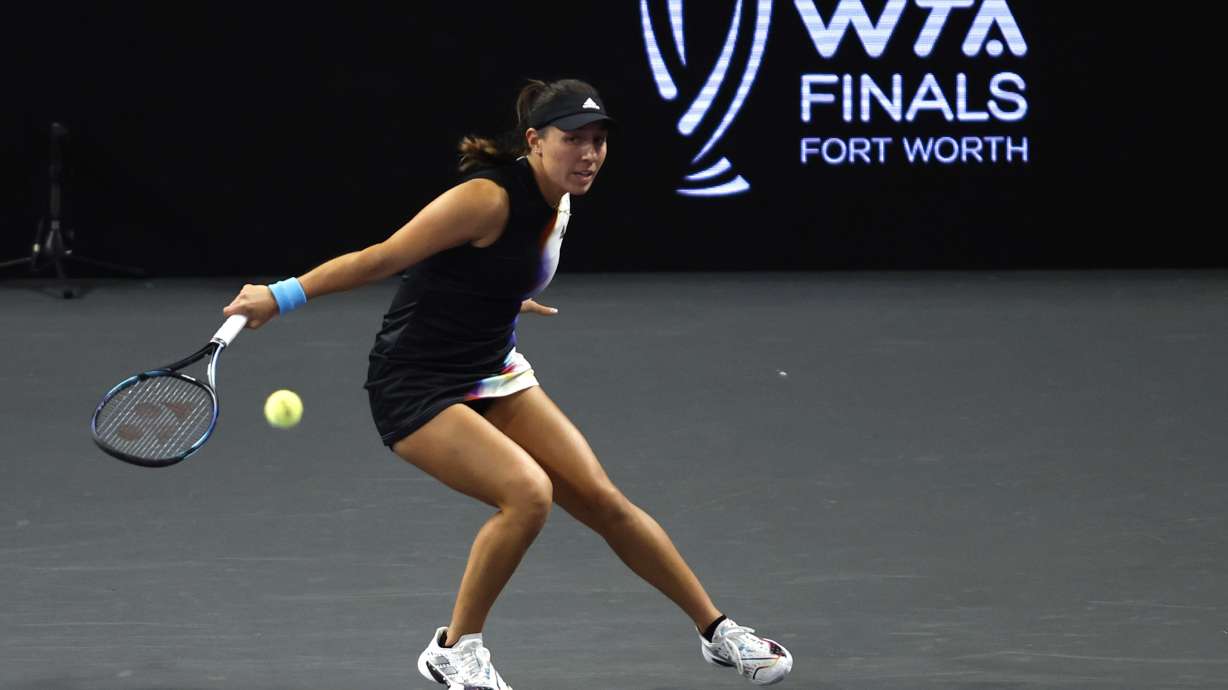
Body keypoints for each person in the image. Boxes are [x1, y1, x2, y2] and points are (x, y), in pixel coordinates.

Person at [222, 78, 792, 689]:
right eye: (573, 139)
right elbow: (385, 257)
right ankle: (454, 649)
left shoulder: (563, 198)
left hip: (492, 366)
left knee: (604, 501)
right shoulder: (485, 199)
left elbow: (483, 267)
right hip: (415, 381)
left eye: (598, 140)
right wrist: (278, 297)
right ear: (534, 141)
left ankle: (717, 632)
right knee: (528, 494)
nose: (589, 153)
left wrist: (501, 296)